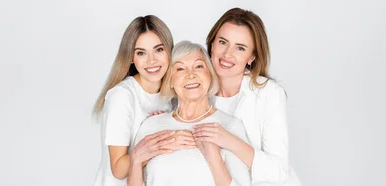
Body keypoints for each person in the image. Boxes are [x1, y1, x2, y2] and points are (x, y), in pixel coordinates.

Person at [193, 7, 302, 185]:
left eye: (240, 48)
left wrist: (228, 140)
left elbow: (278, 170)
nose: (227, 54)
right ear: (212, 44)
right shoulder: (194, 88)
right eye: (222, 42)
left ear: (251, 57)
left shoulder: (269, 93)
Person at [128, 41, 250, 186]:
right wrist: (135, 160)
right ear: (170, 80)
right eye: (180, 69)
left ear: (210, 75)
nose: (190, 75)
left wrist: (213, 157)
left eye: (198, 66)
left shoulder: (230, 126)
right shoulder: (151, 125)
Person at [93, 15, 193, 186]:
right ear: (131, 57)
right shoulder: (122, 96)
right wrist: (163, 142)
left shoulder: (172, 96)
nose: (151, 60)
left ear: (169, 51)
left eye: (159, 50)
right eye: (141, 53)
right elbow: (118, 169)